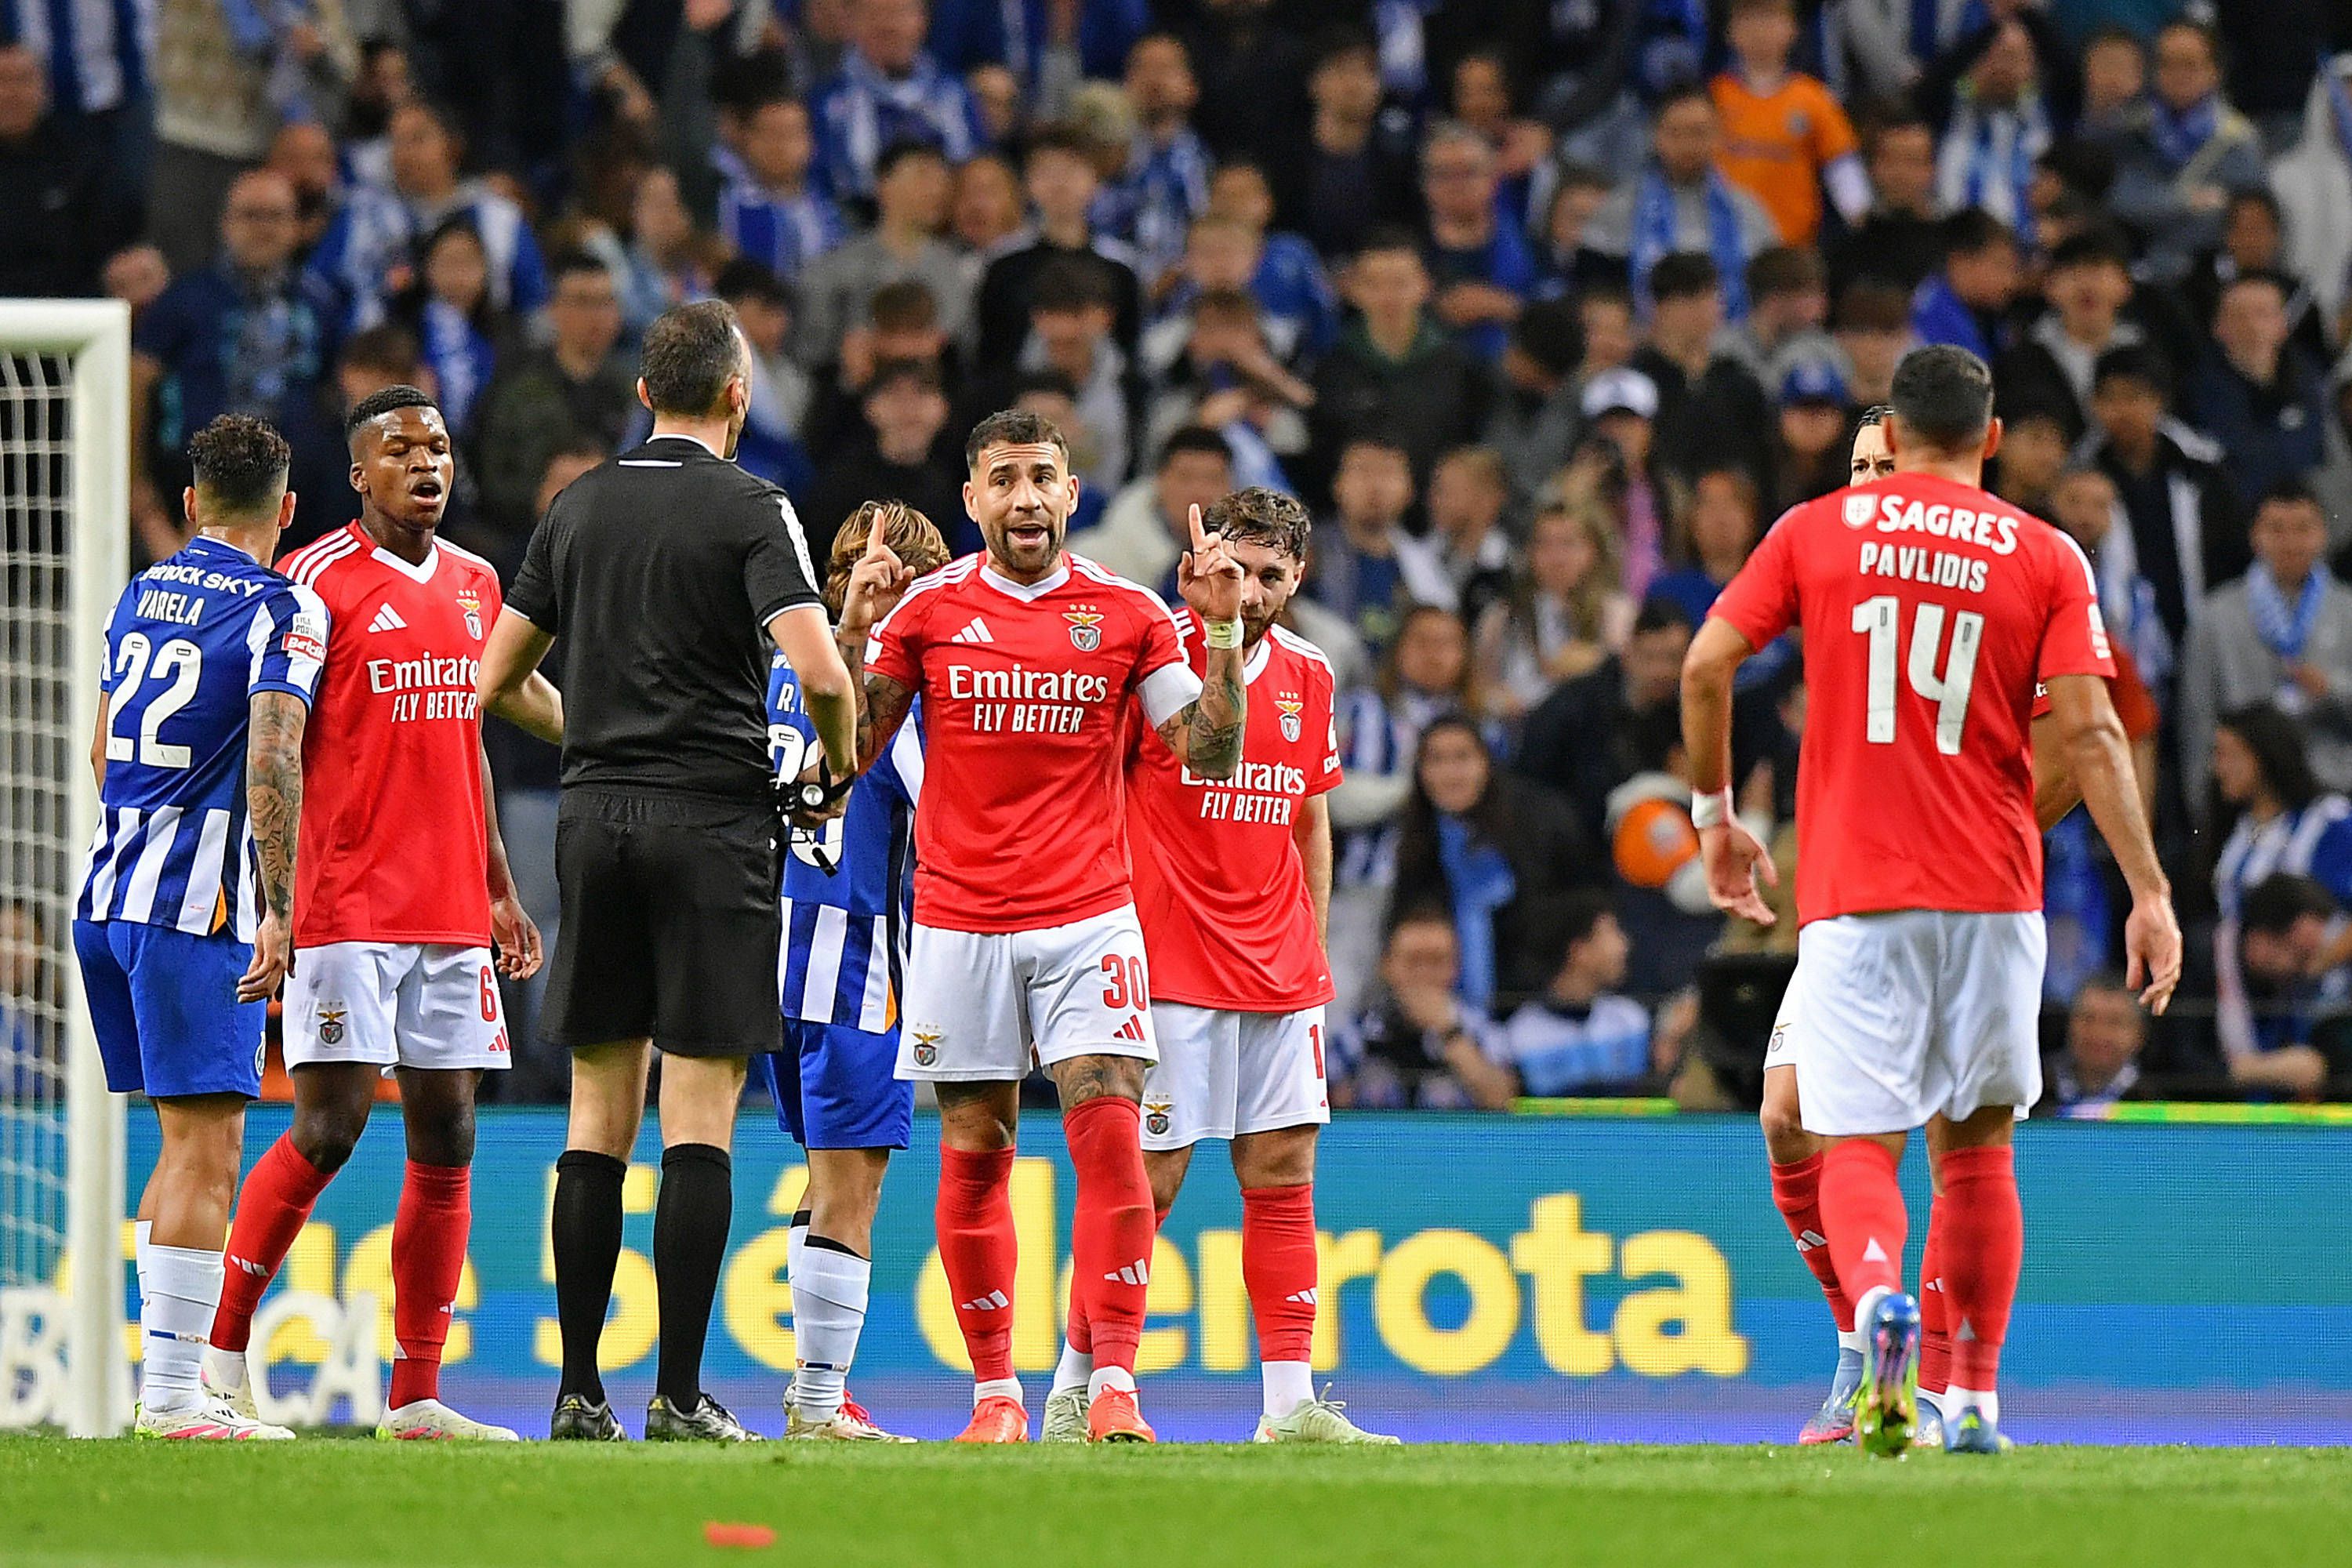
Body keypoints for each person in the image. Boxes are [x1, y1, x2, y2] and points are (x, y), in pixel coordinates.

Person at [1684, 343, 2180, 1457]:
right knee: (1969, 1148)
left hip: (1860, 890)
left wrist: (1715, 818)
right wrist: (2149, 889)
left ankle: (1876, 1313)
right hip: (1994, 897)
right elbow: (2097, 730)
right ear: (1991, 438)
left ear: (1899, 438)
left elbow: (1705, 665)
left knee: (1858, 1142)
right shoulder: (2045, 553)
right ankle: (1971, 1403)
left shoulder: (1816, 535)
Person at [475, 300, 858, 1443]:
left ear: (644, 393)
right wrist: (835, 767)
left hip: (593, 822)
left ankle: (576, 1393)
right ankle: (680, 1395)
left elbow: (495, 680)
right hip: (712, 823)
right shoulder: (753, 506)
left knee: (597, 1112)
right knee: (698, 1110)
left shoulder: (578, 504)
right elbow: (822, 674)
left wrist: (591, 735)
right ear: (738, 393)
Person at [825, 407, 1243, 1445]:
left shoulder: (1129, 612)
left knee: (1111, 1137)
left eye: (1042, 477)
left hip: (1088, 917)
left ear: (1071, 492)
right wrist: (857, 634)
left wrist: (1223, 632)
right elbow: (851, 757)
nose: (1025, 497)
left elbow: (1210, 753)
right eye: (1004, 478)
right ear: (972, 497)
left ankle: (1114, 1390)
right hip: (959, 921)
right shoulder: (926, 611)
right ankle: (996, 1399)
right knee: (976, 1146)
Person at [203, 387, 547, 1443]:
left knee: (450, 1131)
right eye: (399, 450)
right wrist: (277, 898)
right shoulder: (313, 583)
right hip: (347, 901)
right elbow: (274, 744)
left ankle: (417, 1395)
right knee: (330, 1127)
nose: (425, 463)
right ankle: (218, 1356)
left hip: (450, 906)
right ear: (359, 475)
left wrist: (498, 882)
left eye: (436, 447)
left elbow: (466, 738)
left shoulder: (478, 584)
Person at [1046, 487, 1395, 1446]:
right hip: (1166, 963)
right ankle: (1086, 1383)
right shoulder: (1153, 655)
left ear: (1298, 578)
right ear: (1205, 565)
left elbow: (1308, 815)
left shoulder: (1312, 673)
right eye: (1236, 571)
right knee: (1146, 1183)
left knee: (1284, 1173)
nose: (1252, 591)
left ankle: (1289, 1404)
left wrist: (1310, 944)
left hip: (1278, 969)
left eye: (1271, 576)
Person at [74, 416, 321, 1440]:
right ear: (288, 508)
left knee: (183, 1146)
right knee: (208, 1151)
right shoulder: (281, 607)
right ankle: (176, 1399)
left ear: (189, 503)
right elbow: (273, 755)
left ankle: (169, 1387)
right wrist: (280, 907)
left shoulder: (138, 593)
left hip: (108, 898)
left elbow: (101, 752)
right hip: (197, 911)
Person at [758, 501, 952, 1441]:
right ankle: (821, 1400)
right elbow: (945, 808)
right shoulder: (896, 693)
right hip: (857, 962)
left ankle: (816, 1386)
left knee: (821, 1172)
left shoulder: (782, 669)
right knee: (852, 1186)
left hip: (776, 952)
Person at [2206, 706, 2352, 1102]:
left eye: (2227, 754)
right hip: (2250, 1009)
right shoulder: (2236, 834)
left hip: (2328, 1011)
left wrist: (2319, 960)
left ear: (2262, 756)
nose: (2218, 768)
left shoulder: (2329, 822)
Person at [2179, 485, 2352, 812]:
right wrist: (2202, 808)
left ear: (2324, 535)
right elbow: (2198, 719)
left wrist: (2332, 689)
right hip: (2248, 794)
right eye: (2277, 529)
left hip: (2337, 788)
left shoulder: (2348, 609)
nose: (2291, 542)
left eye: (2303, 529)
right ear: (2254, 536)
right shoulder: (2216, 616)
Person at [1708, 0, 1868, 247]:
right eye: (1748, 19)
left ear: (1793, 28)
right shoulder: (1715, 97)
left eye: (1771, 18)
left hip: (1793, 246)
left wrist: (1861, 219)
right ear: (1730, 31)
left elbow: (1842, 166)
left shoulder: (1813, 98)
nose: (1760, 30)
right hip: (1728, 243)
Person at [1327, 906, 1515, 1111]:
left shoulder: (1480, 1027)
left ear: (1455, 967)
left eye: (1437, 961)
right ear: (1386, 965)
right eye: (1413, 961)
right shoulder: (1357, 1029)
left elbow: (1503, 1100)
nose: (1424, 974)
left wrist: (1450, 1034)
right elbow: (1321, 1098)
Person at [1501, 895, 1672, 1097]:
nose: (1624, 945)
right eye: (1612, 932)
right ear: (1579, 951)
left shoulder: (1631, 1019)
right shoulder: (1520, 1035)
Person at [717, 94, 848, 283]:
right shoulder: (724, 207)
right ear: (747, 141)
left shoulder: (836, 209)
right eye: (769, 133)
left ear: (810, 143)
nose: (779, 146)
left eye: (790, 133)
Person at [2034, 975, 2151, 1115]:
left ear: (2139, 1034)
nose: (2098, 1032)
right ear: (2069, 1024)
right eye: (2088, 1018)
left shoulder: (2156, 1098)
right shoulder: (2034, 1086)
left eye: (2114, 1022)